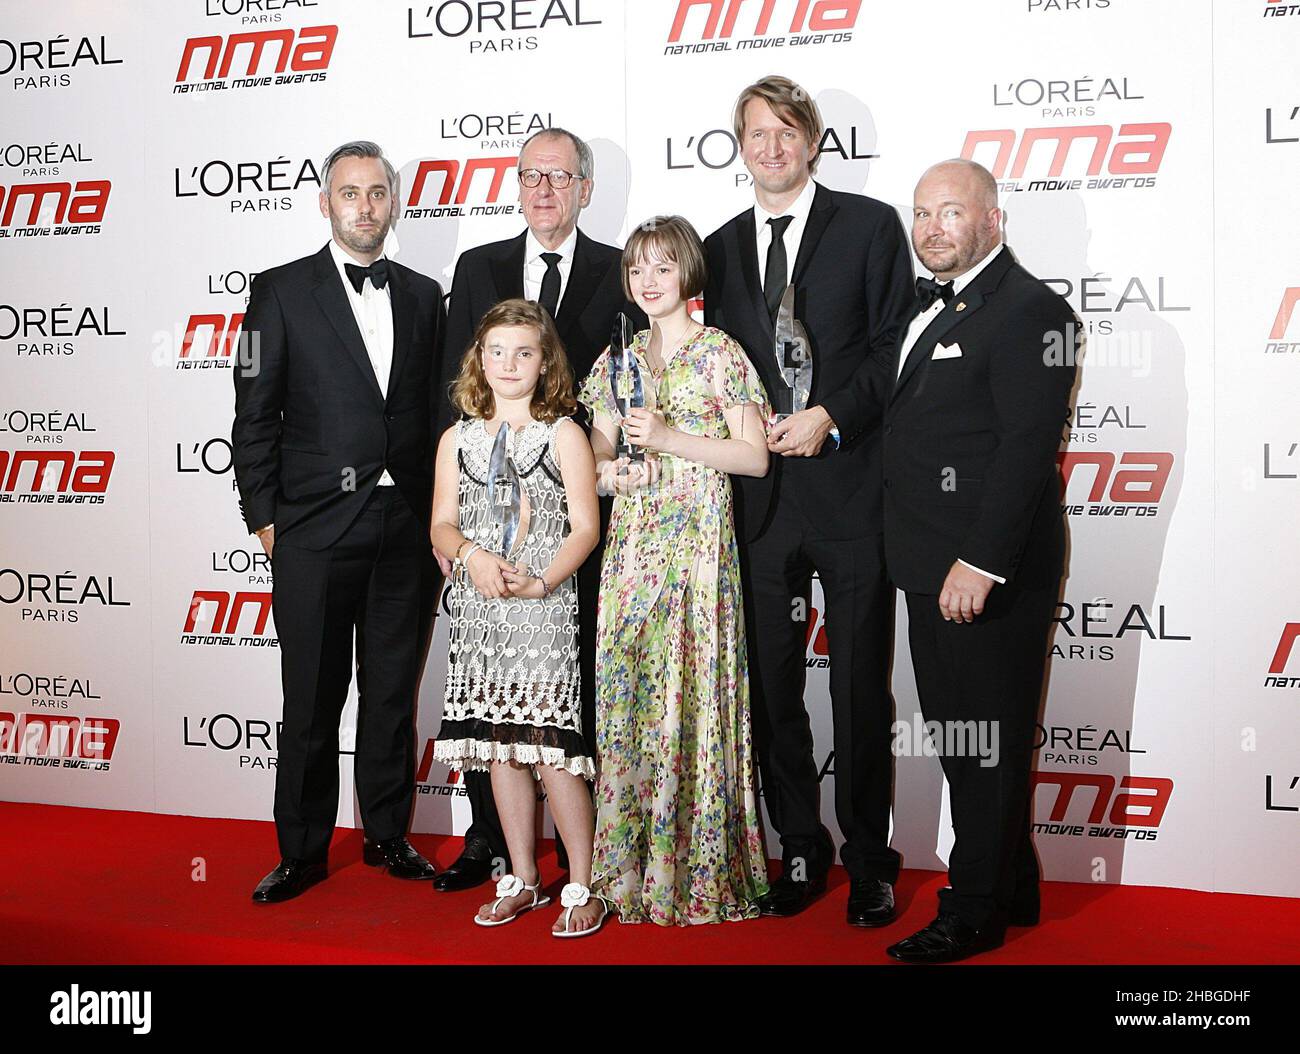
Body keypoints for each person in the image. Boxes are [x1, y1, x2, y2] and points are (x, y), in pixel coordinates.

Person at [703, 77, 915, 925]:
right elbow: (705, 360)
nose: (771, 148)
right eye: (756, 133)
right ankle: (798, 848)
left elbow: (895, 343)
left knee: (861, 687)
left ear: (813, 142)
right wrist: (736, 417)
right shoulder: (714, 248)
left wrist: (831, 416)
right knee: (771, 687)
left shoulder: (868, 226)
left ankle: (870, 860)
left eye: (786, 132)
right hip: (759, 505)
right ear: (740, 146)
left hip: (852, 489)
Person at [232, 140, 445, 903]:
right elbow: (253, 415)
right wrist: (266, 520)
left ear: (395, 203)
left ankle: (389, 836)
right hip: (315, 529)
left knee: (391, 694)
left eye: (377, 192)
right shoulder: (278, 292)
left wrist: (439, 515)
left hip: (404, 526)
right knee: (312, 699)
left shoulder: (424, 295)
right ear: (325, 203)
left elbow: (435, 414)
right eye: (349, 192)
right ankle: (302, 852)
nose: (364, 206)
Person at [433, 127, 645, 892]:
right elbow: (449, 396)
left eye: (560, 177)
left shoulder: (620, 274)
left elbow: (631, 388)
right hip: (480, 534)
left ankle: (586, 868)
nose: (545, 190)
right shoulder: (475, 266)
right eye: (531, 176)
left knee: (564, 706)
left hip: (578, 533)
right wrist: (450, 531)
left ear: (585, 189)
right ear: (517, 187)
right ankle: (496, 852)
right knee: (490, 709)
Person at [883, 160, 1077, 963]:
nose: (932, 227)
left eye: (951, 212)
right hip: (930, 563)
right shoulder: (937, 307)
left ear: (994, 219)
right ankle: (1013, 883)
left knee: (978, 742)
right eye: (923, 213)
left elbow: (1026, 452)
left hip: (981, 573)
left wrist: (982, 563)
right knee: (968, 736)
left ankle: (973, 910)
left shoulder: (1031, 309)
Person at [580, 215, 771, 925]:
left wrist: (668, 438)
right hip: (632, 553)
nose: (649, 281)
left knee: (692, 697)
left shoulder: (720, 351)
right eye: (637, 270)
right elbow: (593, 460)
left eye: (662, 267)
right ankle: (628, 872)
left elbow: (753, 457)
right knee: (631, 700)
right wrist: (609, 477)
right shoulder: (617, 359)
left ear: (688, 274)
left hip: (696, 552)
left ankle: (696, 873)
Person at [429, 298, 604, 936]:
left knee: (553, 750)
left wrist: (544, 581)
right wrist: (471, 556)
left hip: (543, 608)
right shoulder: (457, 437)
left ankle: (584, 883)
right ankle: (524, 878)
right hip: (480, 610)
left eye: (524, 352)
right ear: (479, 358)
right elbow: (441, 525)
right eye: (496, 351)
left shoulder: (564, 433)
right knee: (501, 745)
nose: (508, 364)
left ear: (544, 361)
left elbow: (585, 527)